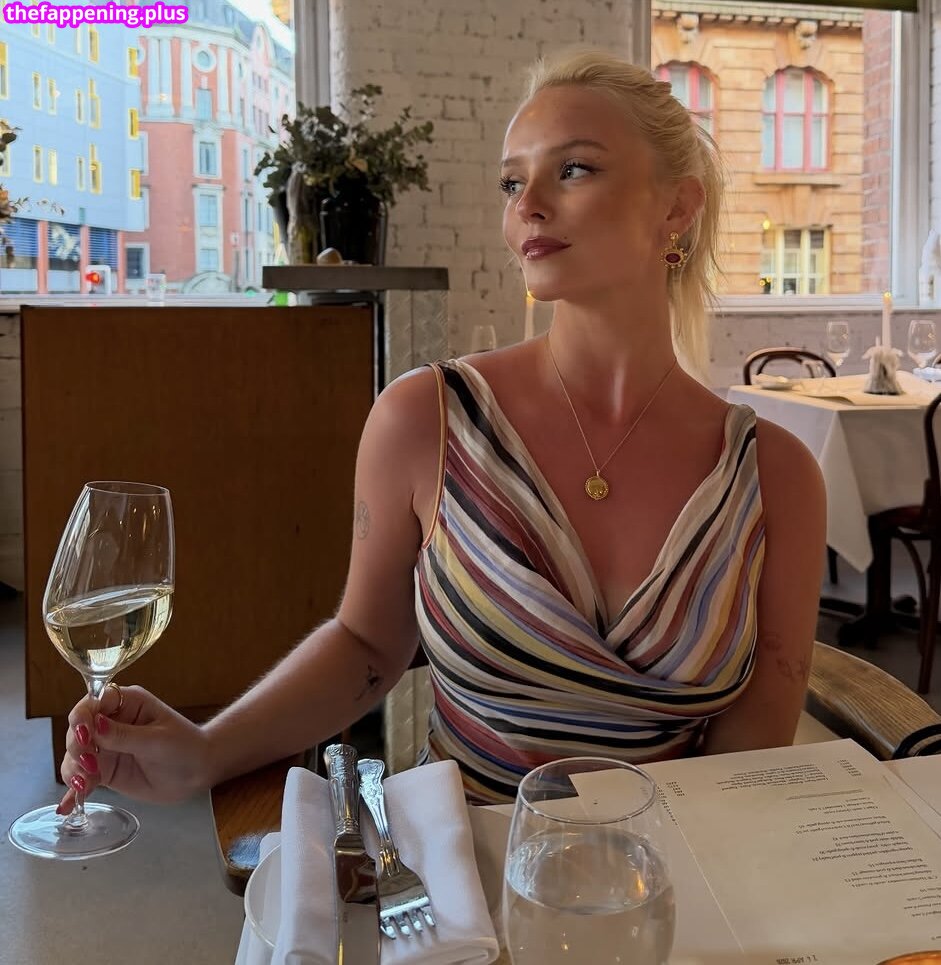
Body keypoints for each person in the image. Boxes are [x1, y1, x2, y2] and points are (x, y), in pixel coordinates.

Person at [58, 48, 825, 810]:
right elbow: (365, 644)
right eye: (511, 182)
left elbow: (755, 730)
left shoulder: (776, 475)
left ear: (676, 208)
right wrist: (207, 748)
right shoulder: (425, 419)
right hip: (460, 866)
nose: (527, 206)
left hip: (665, 865)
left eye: (573, 169)